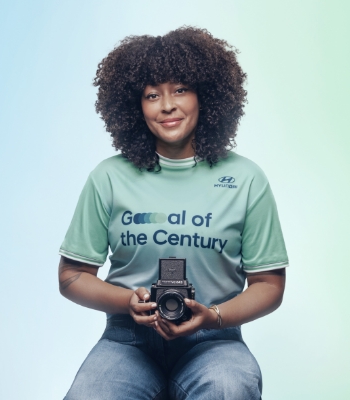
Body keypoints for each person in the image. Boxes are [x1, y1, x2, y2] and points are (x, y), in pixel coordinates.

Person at [59, 26, 288, 400]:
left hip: (213, 339)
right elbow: (71, 275)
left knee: (229, 389)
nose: (167, 105)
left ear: (206, 96)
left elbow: (269, 284)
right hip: (127, 341)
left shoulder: (245, 178)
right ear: (135, 106)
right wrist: (128, 302)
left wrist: (213, 316)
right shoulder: (109, 177)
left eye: (180, 89)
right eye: (152, 95)